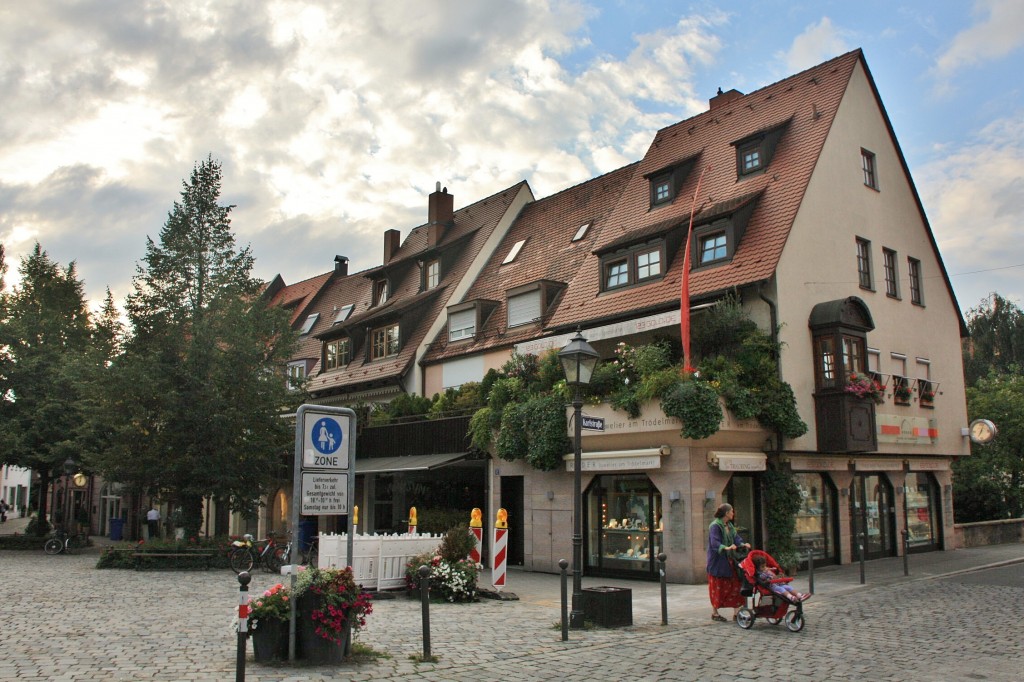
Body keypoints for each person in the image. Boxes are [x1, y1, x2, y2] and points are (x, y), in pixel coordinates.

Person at [707, 503, 750, 622]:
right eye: (731, 511)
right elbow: (714, 542)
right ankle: (715, 613)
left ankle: (737, 612)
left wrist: (742, 544)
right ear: (726, 513)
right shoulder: (715, 526)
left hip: (730, 560)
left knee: (735, 584)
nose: (733, 513)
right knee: (718, 586)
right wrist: (725, 547)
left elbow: (736, 538)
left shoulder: (729, 525)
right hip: (718, 562)